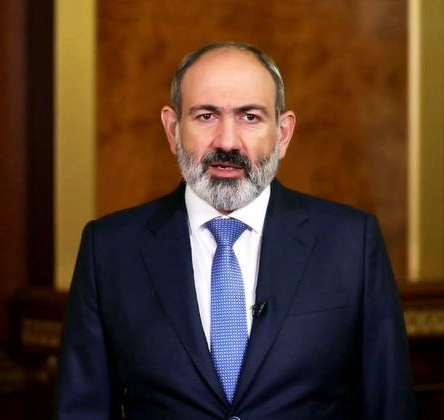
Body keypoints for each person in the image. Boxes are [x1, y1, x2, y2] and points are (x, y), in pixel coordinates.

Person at [56, 41, 415, 419]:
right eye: (206, 116)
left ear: (283, 133)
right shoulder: (110, 249)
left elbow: (390, 406)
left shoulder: (350, 243)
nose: (227, 142)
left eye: (250, 117)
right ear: (173, 129)